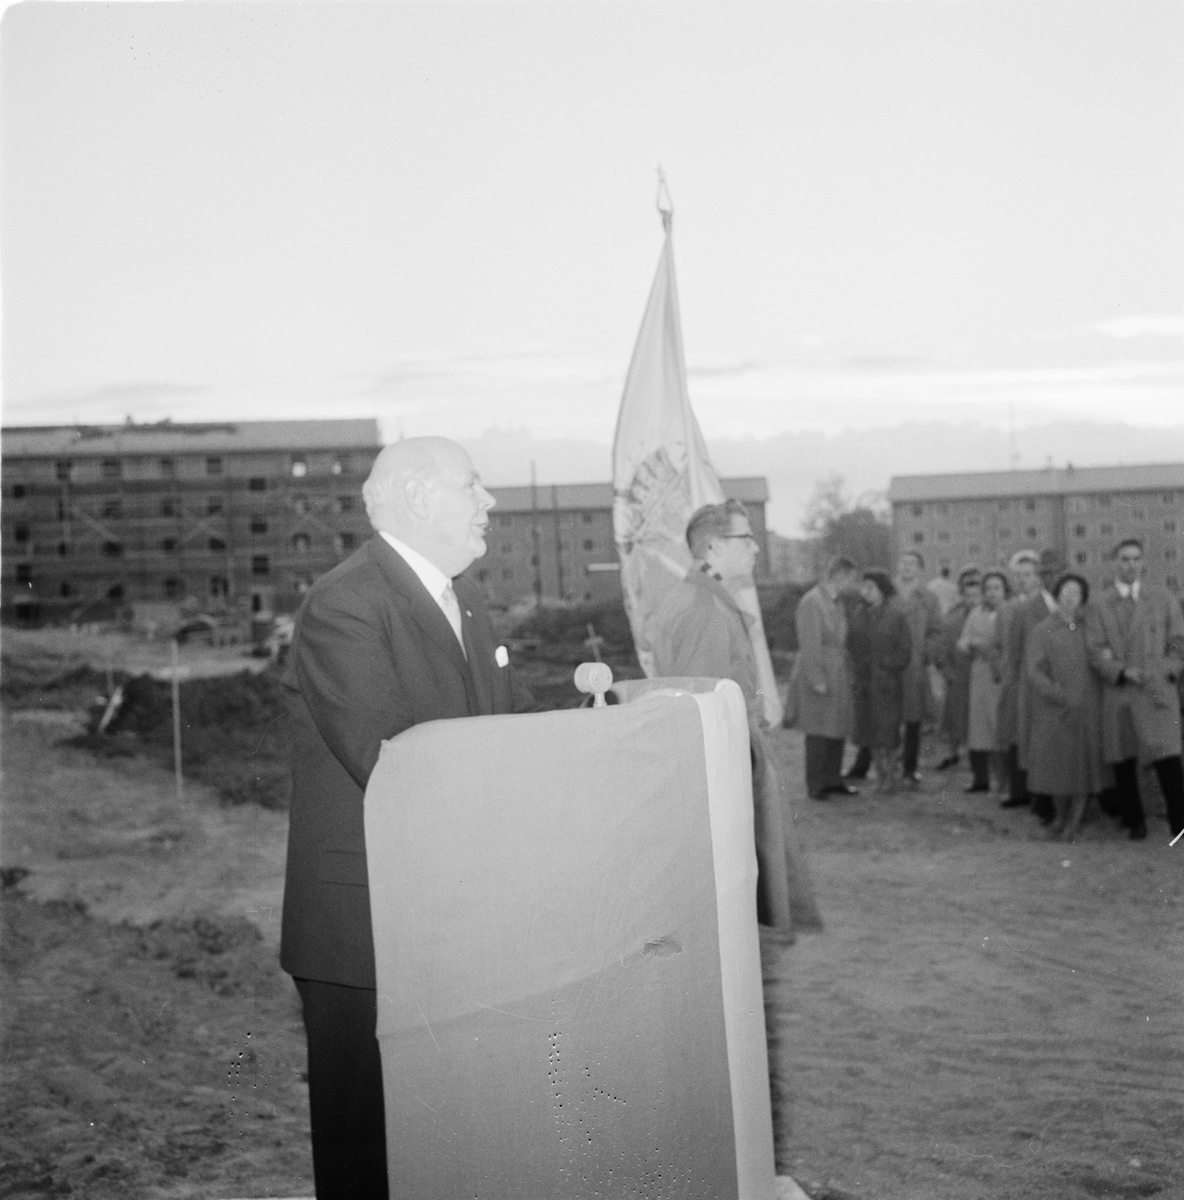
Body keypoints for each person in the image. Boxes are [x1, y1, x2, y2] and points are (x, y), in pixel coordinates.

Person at [280, 437, 540, 1198]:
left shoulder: (463, 599)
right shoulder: (346, 603)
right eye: (474, 485)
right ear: (421, 497)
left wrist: (605, 725)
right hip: (365, 931)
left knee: (444, 1146)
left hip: (445, 914)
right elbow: (396, 762)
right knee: (370, 1156)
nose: (488, 501)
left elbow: (504, 724)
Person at [652, 500, 823, 934]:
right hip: (728, 769)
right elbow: (707, 718)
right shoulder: (704, 610)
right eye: (745, 538)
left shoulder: (702, 599)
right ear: (712, 547)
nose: (756, 549)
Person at [1086, 538, 1184, 840]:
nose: (1131, 564)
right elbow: (1096, 648)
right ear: (1114, 563)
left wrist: (1168, 667)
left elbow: (1176, 639)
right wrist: (1120, 671)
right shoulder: (1099, 604)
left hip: (1156, 688)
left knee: (1168, 756)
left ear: (1144, 562)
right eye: (1124, 559)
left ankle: (1179, 825)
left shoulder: (1162, 597)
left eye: (1136, 558)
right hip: (1123, 690)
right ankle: (1134, 821)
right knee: (1124, 758)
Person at [1025, 574, 1104, 841]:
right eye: (1065, 591)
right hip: (1054, 709)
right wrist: (1058, 694)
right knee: (1057, 768)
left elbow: (1100, 659)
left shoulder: (1089, 629)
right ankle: (1060, 817)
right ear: (1057, 595)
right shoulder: (1042, 629)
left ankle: (1075, 821)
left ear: (1083, 598)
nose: (1070, 597)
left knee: (1082, 766)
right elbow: (1034, 671)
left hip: (1086, 707)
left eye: (1077, 592)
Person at [786, 555, 861, 800]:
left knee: (837, 726)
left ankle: (833, 779)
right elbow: (809, 644)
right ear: (839, 576)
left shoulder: (836, 602)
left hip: (837, 671)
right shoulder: (812, 601)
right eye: (851, 579)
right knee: (818, 729)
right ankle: (816, 783)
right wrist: (816, 679)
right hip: (819, 671)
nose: (853, 584)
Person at [996, 549, 1058, 822]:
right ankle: (1025, 792)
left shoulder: (1053, 603)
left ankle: (1045, 793)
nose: (1023, 580)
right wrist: (1009, 683)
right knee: (1021, 735)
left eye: (1029, 574)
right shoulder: (1012, 608)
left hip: (1053, 678)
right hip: (1024, 681)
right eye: (1018, 575)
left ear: (1040, 576)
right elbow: (1009, 650)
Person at [847, 569, 913, 793]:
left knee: (889, 732)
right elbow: (850, 646)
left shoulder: (896, 615)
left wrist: (887, 665)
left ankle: (892, 775)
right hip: (865, 684)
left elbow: (905, 651)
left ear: (882, 590)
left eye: (871, 587)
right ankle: (880, 775)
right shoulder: (857, 614)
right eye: (863, 587)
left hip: (887, 684)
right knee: (870, 732)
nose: (866, 592)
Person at [894, 551, 943, 787]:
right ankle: (887, 765)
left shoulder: (929, 598)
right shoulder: (889, 594)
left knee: (913, 718)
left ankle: (909, 768)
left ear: (920, 569)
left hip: (914, 666)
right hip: (889, 666)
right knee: (888, 716)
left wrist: (926, 653)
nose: (906, 568)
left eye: (912, 564)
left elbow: (936, 631)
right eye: (903, 563)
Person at [960, 570, 1009, 793]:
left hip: (1001, 674)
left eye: (996, 588)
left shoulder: (1010, 611)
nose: (992, 592)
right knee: (979, 726)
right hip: (979, 673)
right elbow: (962, 641)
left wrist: (989, 647)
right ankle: (981, 779)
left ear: (1005, 590)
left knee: (999, 725)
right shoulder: (976, 612)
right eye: (988, 588)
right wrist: (972, 644)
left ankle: (1004, 781)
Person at [934, 566, 981, 772]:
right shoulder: (952, 618)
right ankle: (953, 752)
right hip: (959, 677)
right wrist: (948, 673)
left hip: (982, 676)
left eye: (977, 594)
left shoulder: (992, 614)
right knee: (955, 717)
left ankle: (980, 756)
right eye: (968, 593)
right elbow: (941, 651)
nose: (973, 599)